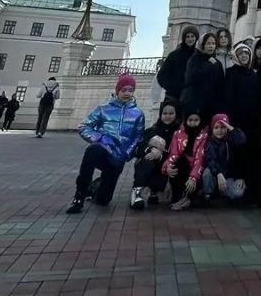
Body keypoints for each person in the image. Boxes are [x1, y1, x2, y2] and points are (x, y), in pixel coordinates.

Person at [66, 75, 145, 213]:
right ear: (117, 90)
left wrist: (127, 154)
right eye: (124, 89)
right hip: (102, 151)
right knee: (92, 151)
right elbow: (84, 127)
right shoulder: (103, 109)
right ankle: (79, 195)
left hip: (118, 158)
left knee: (103, 200)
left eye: (130, 90)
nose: (127, 93)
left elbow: (137, 137)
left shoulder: (138, 114)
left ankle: (95, 186)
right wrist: (102, 139)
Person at [130, 101, 178, 209]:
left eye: (171, 113)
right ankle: (137, 192)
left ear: (176, 115)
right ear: (160, 114)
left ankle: (157, 189)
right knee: (148, 160)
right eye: (165, 113)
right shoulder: (152, 130)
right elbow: (137, 149)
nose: (168, 116)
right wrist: (150, 149)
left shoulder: (179, 133)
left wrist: (160, 155)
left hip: (168, 168)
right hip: (152, 166)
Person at [164, 110, 209, 211]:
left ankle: (188, 197)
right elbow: (173, 153)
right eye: (190, 120)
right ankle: (178, 197)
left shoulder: (204, 136)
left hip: (196, 172)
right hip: (181, 170)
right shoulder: (178, 134)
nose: (192, 123)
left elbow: (200, 158)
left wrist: (193, 178)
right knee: (179, 162)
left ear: (200, 121)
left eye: (196, 120)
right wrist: (168, 168)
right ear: (185, 120)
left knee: (191, 171)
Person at [201, 114, 248, 202]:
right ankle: (207, 194)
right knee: (207, 172)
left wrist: (230, 128)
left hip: (228, 177)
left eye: (223, 127)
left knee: (238, 193)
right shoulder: (209, 142)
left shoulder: (231, 140)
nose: (219, 130)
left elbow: (242, 140)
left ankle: (221, 192)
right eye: (216, 127)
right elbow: (211, 160)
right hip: (215, 175)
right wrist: (218, 174)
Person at [181, 32, 224, 121]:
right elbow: (192, 78)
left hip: (211, 105)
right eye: (208, 43)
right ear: (202, 44)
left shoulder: (217, 63)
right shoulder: (194, 59)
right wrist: (208, 64)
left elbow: (220, 84)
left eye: (213, 43)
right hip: (194, 104)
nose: (211, 46)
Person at [156, 26, 199, 111]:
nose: (190, 39)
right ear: (184, 38)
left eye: (192, 36)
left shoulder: (198, 55)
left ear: (196, 38)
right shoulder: (174, 55)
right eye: (187, 36)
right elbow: (161, 76)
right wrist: (173, 87)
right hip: (173, 97)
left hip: (191, 98)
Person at [224, 41, 260, 131]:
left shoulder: (254, 74)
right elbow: (227, 97)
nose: (244, 56)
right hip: (235, 119)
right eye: (240, 54)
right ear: (236, 56)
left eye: (246, 53)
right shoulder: (231, 72)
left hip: (251, 120)